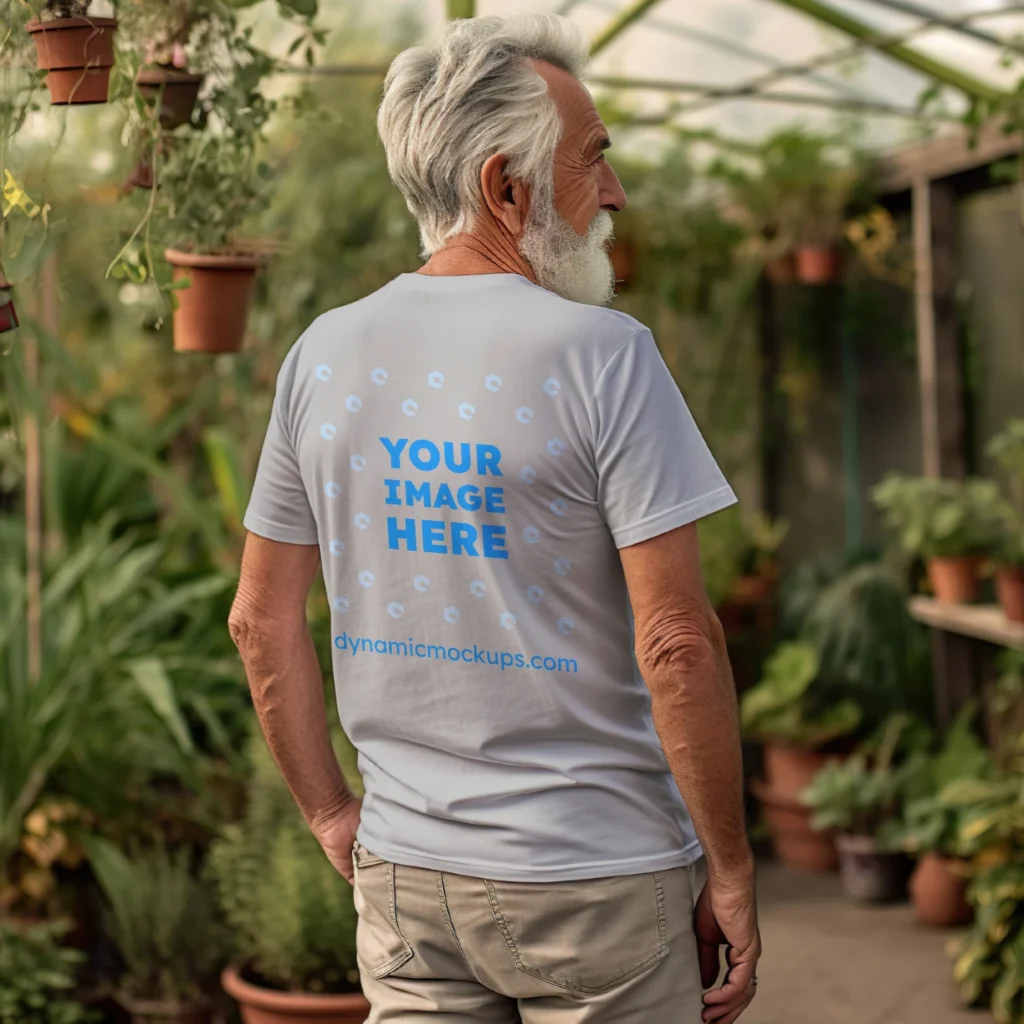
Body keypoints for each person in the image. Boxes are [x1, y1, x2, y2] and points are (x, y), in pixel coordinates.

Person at [230, 13, 760, 1024]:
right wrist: (730, 867)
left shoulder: (321, 355)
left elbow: (260, 622)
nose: (612, 192)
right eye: (592, 159)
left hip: (405, 881)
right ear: (503, 186)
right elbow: (678, 643)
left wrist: (332, 811)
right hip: (598, 882)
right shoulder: (604, 354)